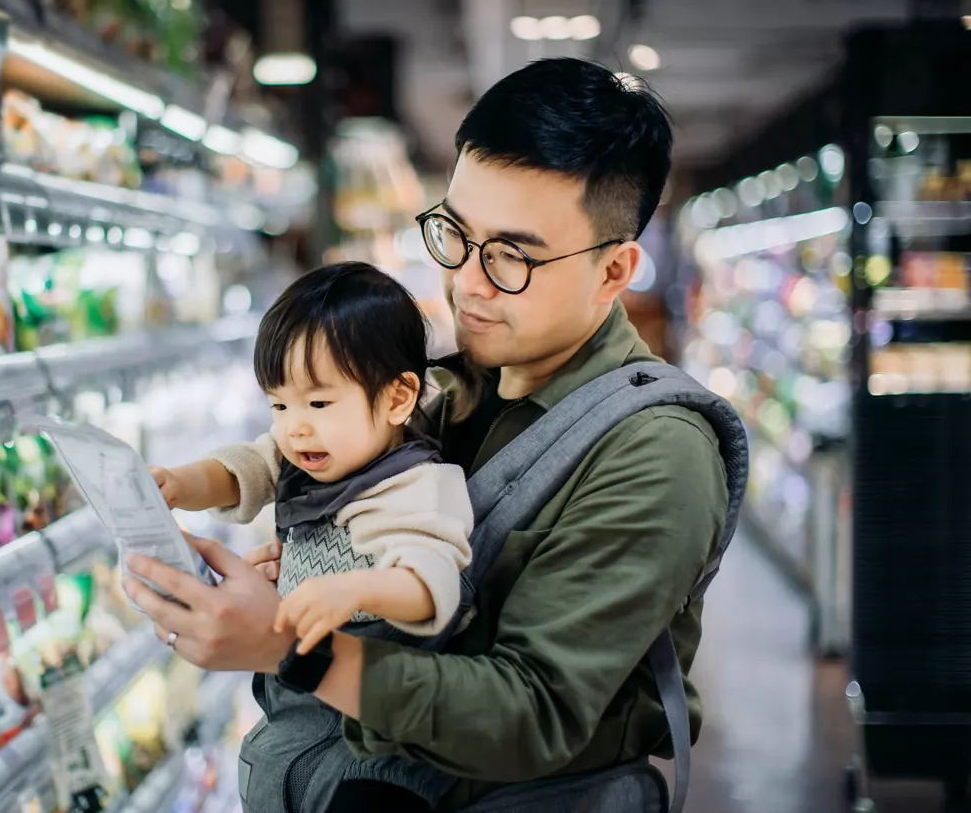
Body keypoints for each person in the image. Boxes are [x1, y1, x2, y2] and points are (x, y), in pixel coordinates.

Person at [122, 57, 734, 811]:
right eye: (456, 234)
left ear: (614, 272)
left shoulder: (657, 452)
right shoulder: (449, 387)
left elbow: (533, 712)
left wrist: (291, 649)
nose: (468, 283)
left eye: (514, 257)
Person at [148, 261, 475, 810]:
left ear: (397, 399)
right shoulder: (305, 455)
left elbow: (431, 583)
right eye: (278, 404)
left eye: (319, 403)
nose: (294, 427)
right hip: (296, 712)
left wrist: (357, 588)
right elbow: (242, 468)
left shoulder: (416, 487)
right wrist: (178, 484)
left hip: (377, 740)